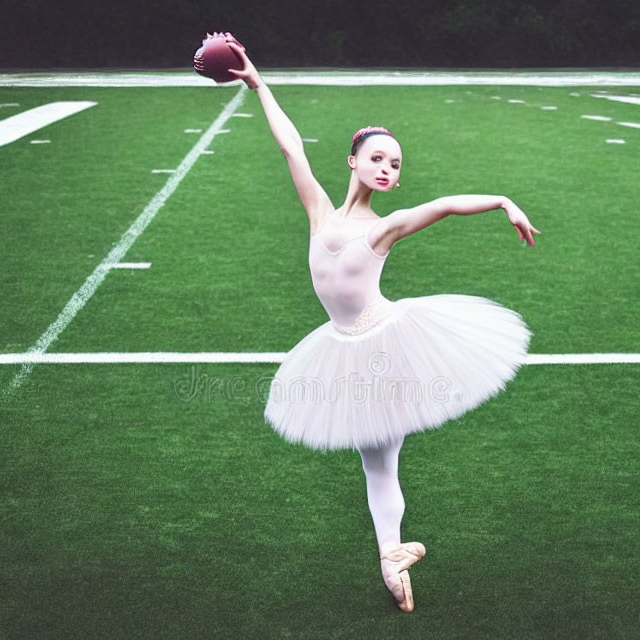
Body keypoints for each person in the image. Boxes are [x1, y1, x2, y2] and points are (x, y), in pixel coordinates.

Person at [226, 38, 540, 613]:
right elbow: (292, 148)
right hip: (342, 347)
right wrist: (257, 83)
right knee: (377, 463)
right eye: (377, 158)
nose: (387, 168)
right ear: (353, 161)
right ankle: (391, 559)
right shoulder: (320, 212)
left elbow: (442, 204)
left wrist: (501, 200)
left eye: (395, 163)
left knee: (382, 456)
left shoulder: (385, 226)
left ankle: (391, 552)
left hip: (385, 345)